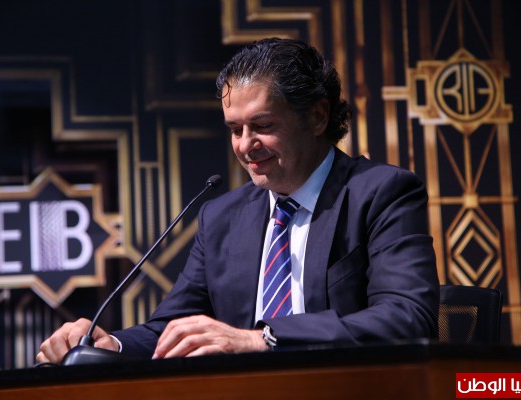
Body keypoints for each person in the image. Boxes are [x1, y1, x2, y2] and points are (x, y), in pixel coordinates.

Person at [37, 37, 438, 363]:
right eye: (234, 129)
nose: (245, 146)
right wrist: (111, 346)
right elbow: (174, 328)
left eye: (262, 125)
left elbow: (406, 318)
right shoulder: (221, 217)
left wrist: (263, 340)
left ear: (317, 117)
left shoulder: (381, 193)